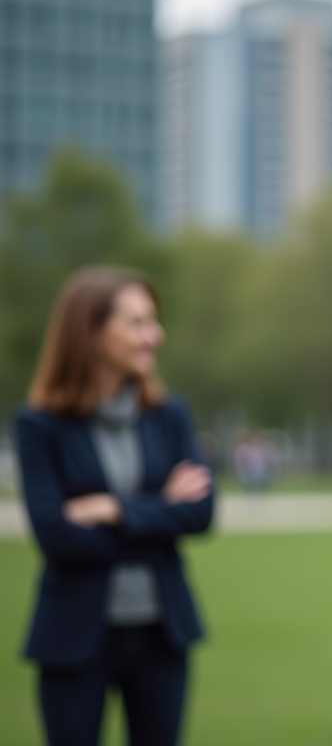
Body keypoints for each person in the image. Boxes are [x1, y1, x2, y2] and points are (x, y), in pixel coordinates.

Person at [14, 267, 214, 746]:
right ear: (92, 334)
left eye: (154, 322)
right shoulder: (40, 425)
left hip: (161, 635)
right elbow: (56, 536)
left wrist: (113, 509)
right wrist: (157, 512)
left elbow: (201, 514)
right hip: (72, 638)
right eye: (138, 323)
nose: (155, 336)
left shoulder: (169, 414)